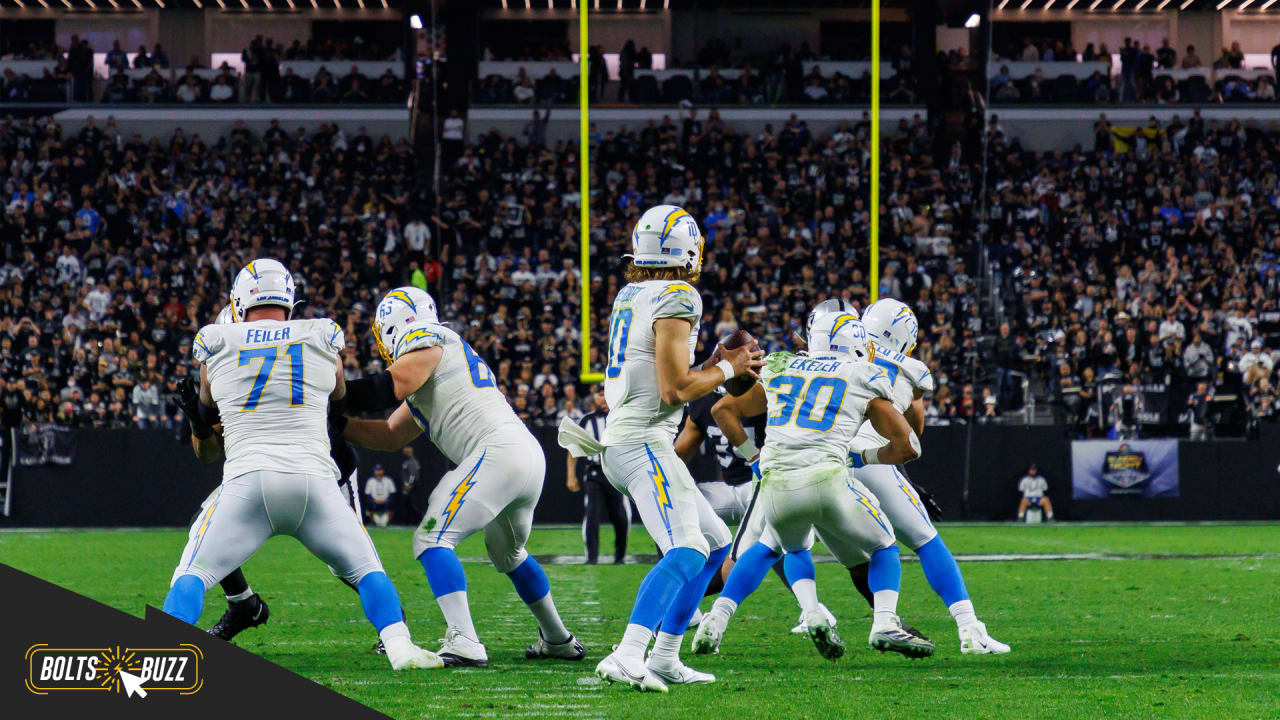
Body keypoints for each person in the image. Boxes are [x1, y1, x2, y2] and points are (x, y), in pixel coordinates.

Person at [161, 259, 440, 671]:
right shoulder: (322, 335)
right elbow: (341, 399)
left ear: (239, 302)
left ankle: (160, 659)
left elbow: (206, 436)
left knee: (191, 572)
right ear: (290, 301)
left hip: (248, 484)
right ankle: (399, 645)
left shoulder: (215, 342)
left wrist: (200, 419)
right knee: (367, 570)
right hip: (315, 481)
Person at [557, 204, 762, 692]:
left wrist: (712, 364)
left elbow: (661, 374)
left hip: (630, 437)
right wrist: (729, 369)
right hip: (642, 440)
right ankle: (628, 653)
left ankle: (666, 656)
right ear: (687, 249)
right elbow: (674, 390)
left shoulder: (633, 292)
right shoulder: (678, 294)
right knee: (688, 548)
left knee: (713, 545)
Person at [338, 286, 584, 668]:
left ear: (392, 325)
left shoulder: (426, 340)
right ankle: (556, 637)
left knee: (431, 538)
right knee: (510, 554)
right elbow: (389, 435)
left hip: (497, 451)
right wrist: (336, 424)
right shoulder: (437, 362)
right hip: (523, 455)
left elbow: (385, 388)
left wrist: (322, 392)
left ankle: (465, 640)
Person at [693, 312, 932, 661]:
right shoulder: (863, 374)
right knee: (884, 545)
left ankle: (721, 617)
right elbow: (908, 445)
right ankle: (884, 621)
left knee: (775, 546)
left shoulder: (781, 367)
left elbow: (723, 409)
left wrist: (753, 458)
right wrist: (863, 457)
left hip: (775, 484)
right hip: (828, 480)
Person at [566, 384, 629, 565]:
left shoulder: (621, 418)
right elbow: (573, 448)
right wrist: (571, 475)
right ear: (594, 398)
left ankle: (620, 555)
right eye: (599, 395)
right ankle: (592, 557)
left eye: (606, 394)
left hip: (616, 473)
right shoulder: (586, 420)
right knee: (592, 514)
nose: (603, 398)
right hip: (594, 472)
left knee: (619, 516)